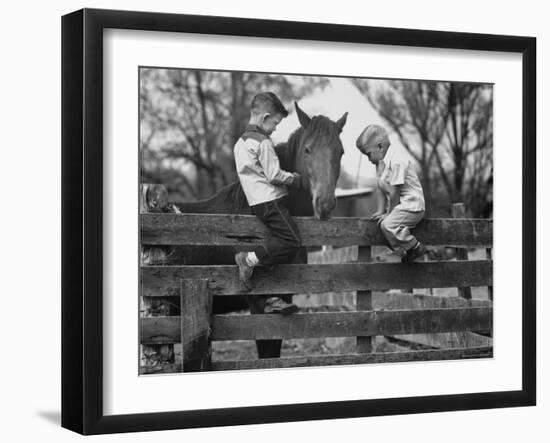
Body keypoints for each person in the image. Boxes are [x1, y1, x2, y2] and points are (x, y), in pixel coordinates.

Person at [233, 92, 302, 314]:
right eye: (275, 123)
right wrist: (294, 178)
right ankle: (248, 259)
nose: (275, 129)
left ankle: (271, 296)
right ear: (264, 118)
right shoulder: (263, 142)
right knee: (292, 242)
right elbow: (273, 174)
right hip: (271, 201)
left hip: (256, 203)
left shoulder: (240, 144)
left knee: (275, 246)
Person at [356, 124, 427, 262]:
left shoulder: (397, 161)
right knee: (382, 224)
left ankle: (414, 247)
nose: (369, 160)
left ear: (380, 147)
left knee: (387, 225)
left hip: (412, 206)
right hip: (402, 207)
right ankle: (403, 251)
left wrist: (389, 214)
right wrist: (380, 211)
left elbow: (394, 192)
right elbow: (381, 188)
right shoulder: (383, 165)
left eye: (369, 154)